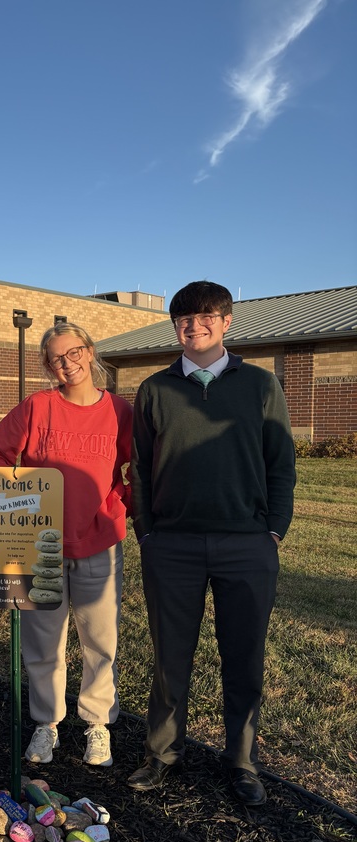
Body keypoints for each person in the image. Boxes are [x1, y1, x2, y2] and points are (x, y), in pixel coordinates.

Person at [127, 280, 296, 806]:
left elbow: (281, 464)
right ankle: (163, 754)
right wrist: (148, 532)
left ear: (225, 322)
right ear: (174, 326)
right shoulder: (154, 390)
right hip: (171, 545)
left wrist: (273, 531)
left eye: (205, 317)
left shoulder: (261, 386)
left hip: (247, 543)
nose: (193, 326)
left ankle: (241, 762)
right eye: (183, 319)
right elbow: (140, 472)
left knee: (243, 657)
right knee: (169, 657)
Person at [0, 321, 132, 766]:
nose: (67, 364)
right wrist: (20, 503)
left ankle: (97, 724)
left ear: (90, 351)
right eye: (56, 359)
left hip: (100, 542)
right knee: (43, 642)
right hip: (39, 543)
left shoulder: (120, 411)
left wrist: (118, 504)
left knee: (101, 640)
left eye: (74, 353)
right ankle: (46, 724)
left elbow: (136, 468)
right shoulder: (37, 407)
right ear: (48, 366)